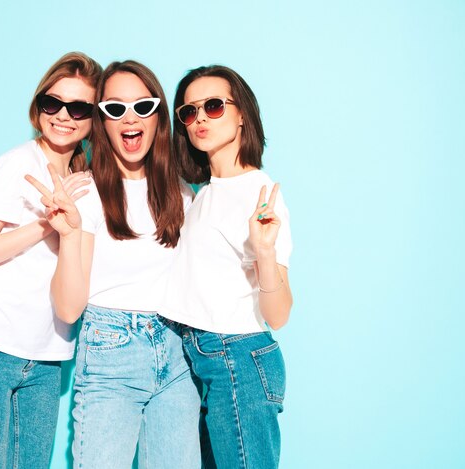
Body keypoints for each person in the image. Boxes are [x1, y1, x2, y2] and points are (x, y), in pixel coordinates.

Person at [27, 60, 201, 469]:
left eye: (142, 106)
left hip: (178, 355)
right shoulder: (86, 193)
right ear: (102, 122)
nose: (129, 118)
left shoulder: (183, 193)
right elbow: (68, 309)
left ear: (158, 117)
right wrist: (68, 234)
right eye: (115, 109)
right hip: (110, 354)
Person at [0, 52, 102, 468]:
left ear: (93, 117)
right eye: (54, 103)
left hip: (46, 359)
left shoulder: (87, 179)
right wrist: (43, 227)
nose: (63, 116)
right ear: (39, 105)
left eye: (79, 107)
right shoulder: (17, 165)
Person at [159, 65, 294, 469]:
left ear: (241, 115)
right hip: (204, 360)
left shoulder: (258, 193)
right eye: (189, 111)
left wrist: (265, 253)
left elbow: (279, 313)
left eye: (214, 106)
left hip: (237, 358)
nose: (199, 118)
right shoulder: (203, 194)